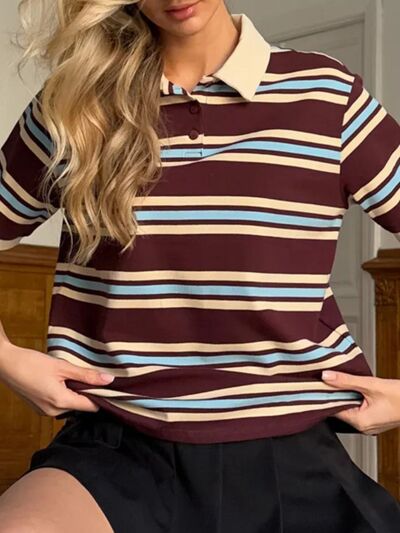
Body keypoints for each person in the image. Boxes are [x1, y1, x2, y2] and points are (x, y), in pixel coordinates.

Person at [0, 0, 400, 531]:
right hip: (116, 444)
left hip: (287, 445)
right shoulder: (76, 104)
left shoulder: (327, 94)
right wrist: (5, 359)